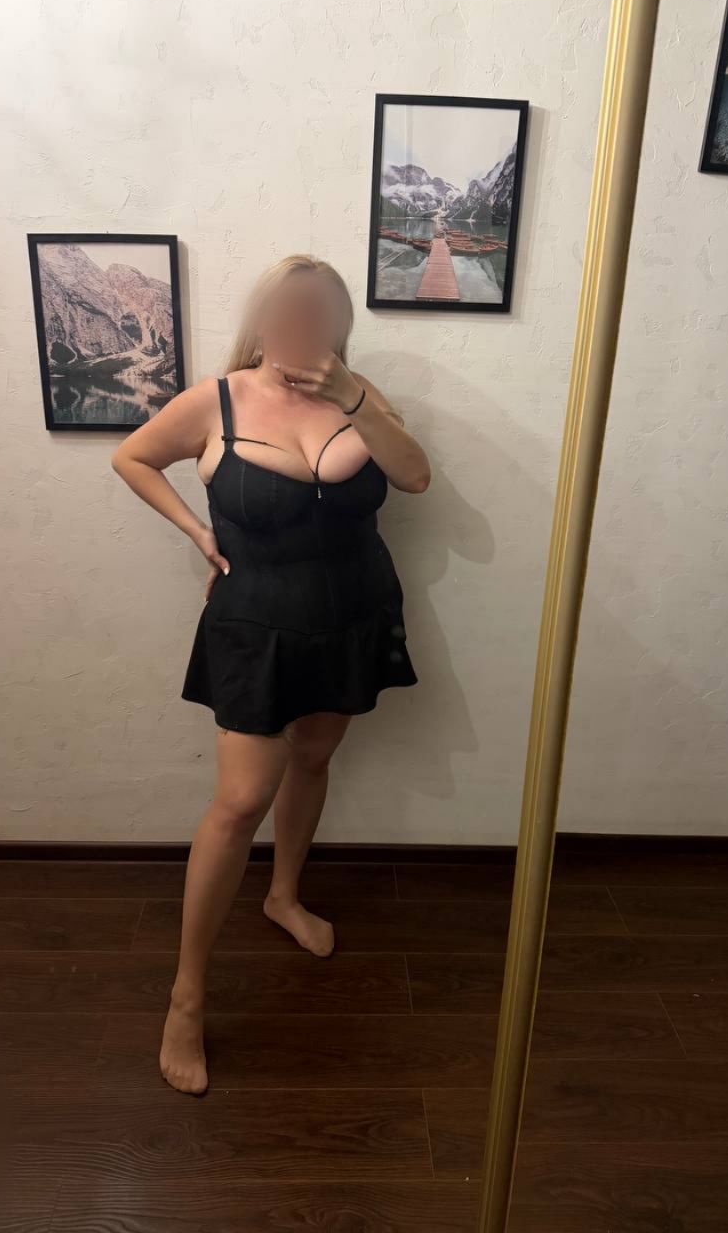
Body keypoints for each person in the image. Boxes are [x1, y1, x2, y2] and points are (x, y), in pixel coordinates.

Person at [111, 254, 430, 1093]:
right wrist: (195, 530)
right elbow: (133, 458)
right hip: (256, 625)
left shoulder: (362, 396)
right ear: (264, 321)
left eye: (321, 313)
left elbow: (416, 476)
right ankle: (187, 997)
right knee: (239, 801)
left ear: (339, 323)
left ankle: (284, 895)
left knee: (315, 759)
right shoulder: (215, 400)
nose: (304, 326)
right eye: (290, 312)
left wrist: (353, 397)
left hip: (353, 614)